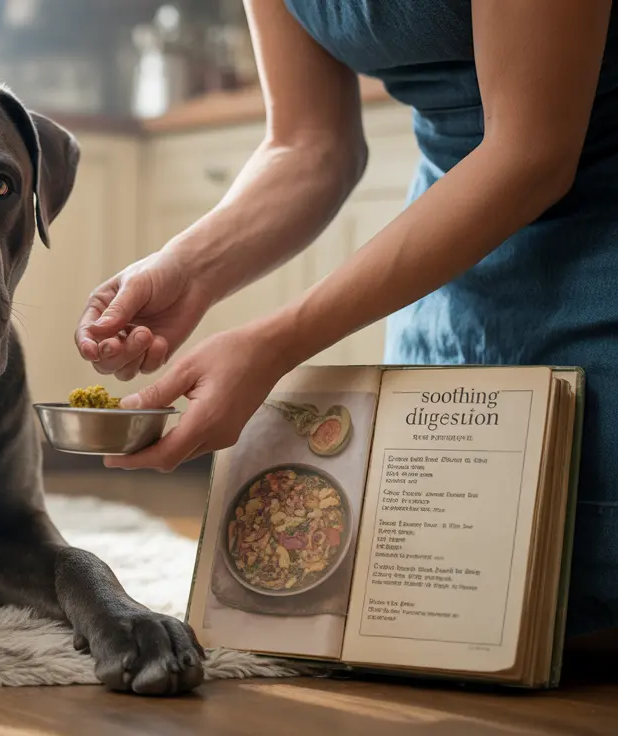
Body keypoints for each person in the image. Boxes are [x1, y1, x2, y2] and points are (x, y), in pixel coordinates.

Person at [76, 0, 618, 643]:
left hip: (596, 242)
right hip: (443, 260)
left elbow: (530, 153)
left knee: (575, 596)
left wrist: (274, 344)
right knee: (435, 600)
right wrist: (185, 269)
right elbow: (309, 145)